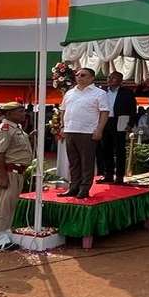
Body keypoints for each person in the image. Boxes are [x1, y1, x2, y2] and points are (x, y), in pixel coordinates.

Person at [0, 101, 34, 252]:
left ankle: (4, 233)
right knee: (3, 205)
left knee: (9, 205)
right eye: (19, 111)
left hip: (16, 172)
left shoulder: (17, 128)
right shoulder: (5, 129)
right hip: (8, 172)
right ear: (8, 114)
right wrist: (2, 176)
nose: (23, 114)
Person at [59, 68, 109, 199]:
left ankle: (84, 188)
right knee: (73, 162)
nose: (79, 77)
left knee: (87, 162)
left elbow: (104, 112)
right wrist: (62, 126)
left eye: (83, 75)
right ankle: (73, 187)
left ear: (92, 78)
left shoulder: (99, 93)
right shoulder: (70, 93)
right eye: (77, 75)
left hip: (87, 132)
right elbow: (63, 110)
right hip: (70, 130)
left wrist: (99, 130)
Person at [99, 71, 135, 184]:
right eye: (109, 77)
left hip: (121, 120)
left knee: (120, 149)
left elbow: (133, 109)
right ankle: (108, 174)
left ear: (120, 80)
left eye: (113, 78)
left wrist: (130, 124)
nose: (110, 80)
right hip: (105, 120)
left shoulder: (127, 92)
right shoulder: (102, 92)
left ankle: (119, 176)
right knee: (105, 148)